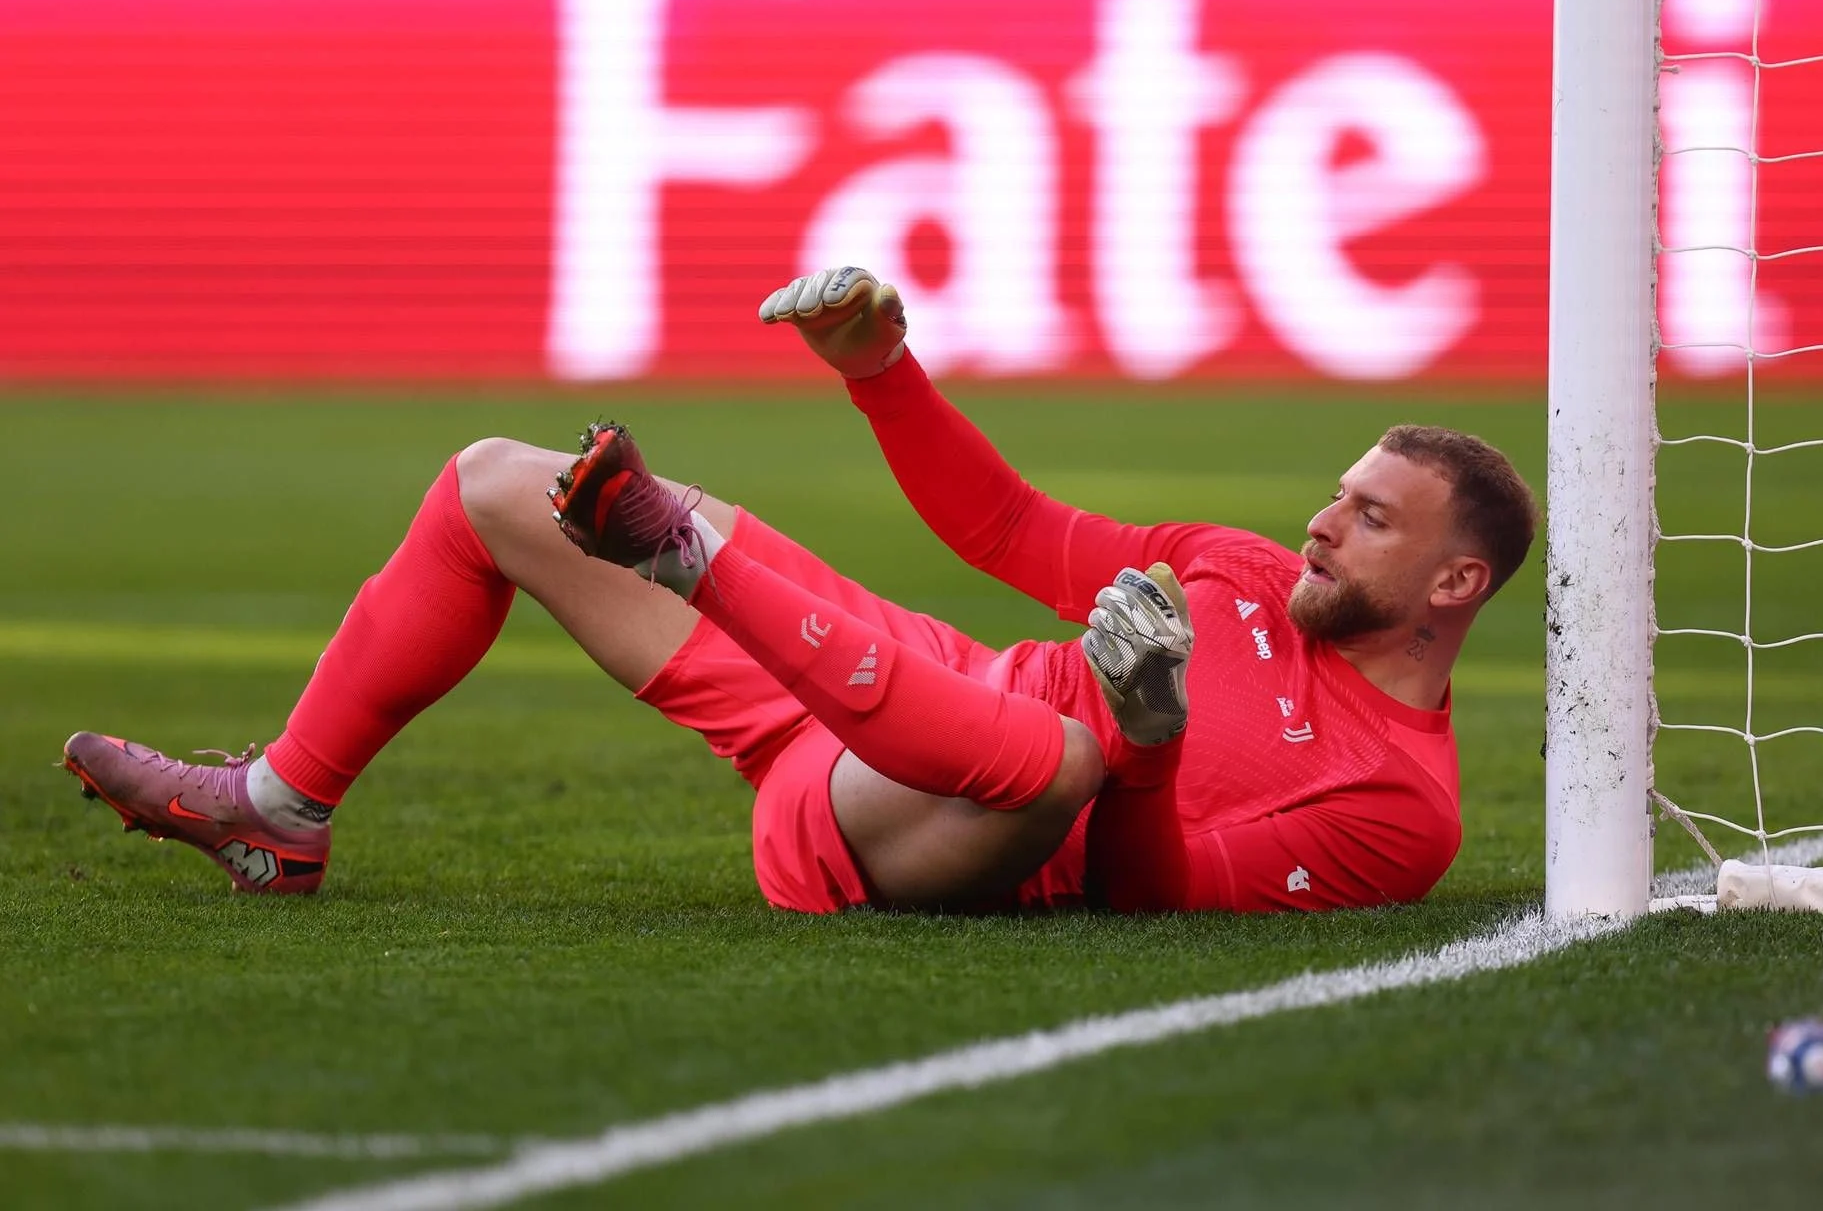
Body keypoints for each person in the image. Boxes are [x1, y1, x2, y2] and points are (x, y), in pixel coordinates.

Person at [61, 266, 1537, 913]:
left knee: (1068, 755)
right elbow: (1011, 527)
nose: (1318, 526)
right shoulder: (1247, 572)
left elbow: (1149, 902)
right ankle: (278, 814)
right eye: (1337, 495)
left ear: (1455, 581)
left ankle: (687, 554)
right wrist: (881, 373)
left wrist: (1146, 758)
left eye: (1368, 518)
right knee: (498, 481)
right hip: (873, 688)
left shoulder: (1403, 810)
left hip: (933, 821)